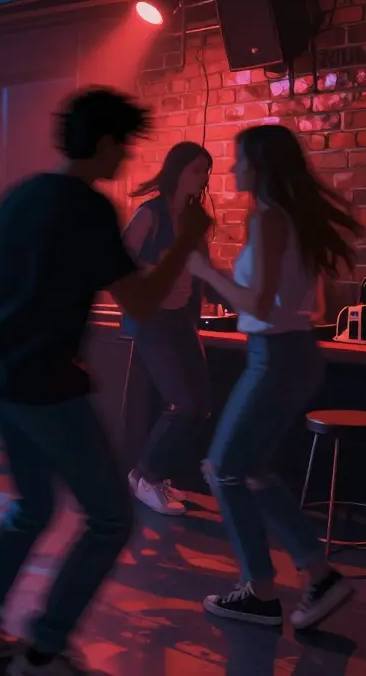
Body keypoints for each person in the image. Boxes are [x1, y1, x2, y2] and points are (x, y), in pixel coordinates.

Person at [0, 88, 211, 674]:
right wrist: (187, 241)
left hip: (1, 374)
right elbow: (141, 298)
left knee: (32, 506)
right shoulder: (89, 209)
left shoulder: (22, 195)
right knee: (112, 516)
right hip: (47, 381)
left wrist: (4, 341)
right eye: (124, 144)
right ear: (105, 143)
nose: (127, 158)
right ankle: (45, 647)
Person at [187, 124, 358, 630]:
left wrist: (206, 271)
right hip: (298, 352)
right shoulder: (294, 220)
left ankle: (261, 592)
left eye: (240, 160)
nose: (234, 168)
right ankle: (320, 576)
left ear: (260, 166)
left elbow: (258, 302)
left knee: (223, 469)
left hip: (275, 357)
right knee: (254, 471)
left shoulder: (266, 219)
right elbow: (314, 302)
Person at [120, 142, 214, 516]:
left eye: (206, 170)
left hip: (180, 319)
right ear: (177, 171)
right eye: (197, 169)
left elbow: (200, 271)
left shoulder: (194, 218)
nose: (203, 176)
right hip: (152, 319)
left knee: (203, 406)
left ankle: (157, 476)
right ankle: (143, 476)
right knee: (184, 404)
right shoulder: (150, 214)